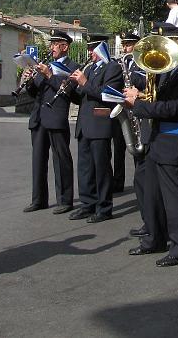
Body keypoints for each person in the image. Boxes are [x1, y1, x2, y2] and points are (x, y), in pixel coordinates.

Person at [123, 23, 178, 267]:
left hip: (174, 139)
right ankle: (154, 239)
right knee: (151, 193)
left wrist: (138, 104)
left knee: (176, 198)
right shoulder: (170, 70)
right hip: (156, 139)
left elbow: (174, 109)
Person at [24, 30, 81, 214]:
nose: (51, 47)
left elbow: (69, 92)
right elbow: (35, 93)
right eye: (51, 44)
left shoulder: (73, 67)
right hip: (39, 118)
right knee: (38, 160)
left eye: (55, 44)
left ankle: (65, 200)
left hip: (56, 117)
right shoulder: (46, 65)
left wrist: (50, 76)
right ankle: (38, 199)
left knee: (61, 159)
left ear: (65, 46)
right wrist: (28, 81)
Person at [67, 41, 124, 223]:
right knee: (85, 169)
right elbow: (81, 97)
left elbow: (107, 94)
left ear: (101, 49)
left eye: (93, 49)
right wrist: (70, 89)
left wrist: (84, 82)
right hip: (84, 125)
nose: (90, 53)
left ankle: (104, 207)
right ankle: (87, 204)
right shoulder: (90, 69)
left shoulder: (112, 68)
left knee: (101, 169)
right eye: (89, 50)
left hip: (100, 124)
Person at [119, 31, 151, 239]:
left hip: (147, 119)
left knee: (146, 178)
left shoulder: (143, 62)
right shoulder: (126, 63)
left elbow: (148, 84)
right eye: (124, 45)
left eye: (129, 45)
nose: (125, 48)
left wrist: (135, 89)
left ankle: (151, 222)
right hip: (135, 115)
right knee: (140, 176)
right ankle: (147, 220)